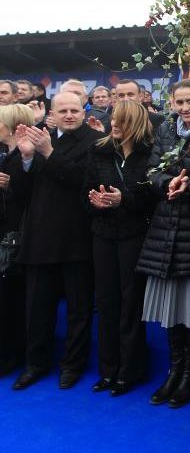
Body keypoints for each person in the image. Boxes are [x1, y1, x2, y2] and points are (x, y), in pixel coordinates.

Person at [12, 92, 104, 390]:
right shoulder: (38, 139)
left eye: (74, 110)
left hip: (77, 239)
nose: (69, 115)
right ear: (52, 112)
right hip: (39, 238)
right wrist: (26, 158)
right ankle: (35, 364)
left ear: (83, 111)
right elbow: (20, 192)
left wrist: (49, 152)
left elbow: (82, 180)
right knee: (37, 308)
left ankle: (72, 366)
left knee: (79, 309)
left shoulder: (94, 141)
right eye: (62, 110)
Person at [136, 80, 190, 408]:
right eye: (179, 102)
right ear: (172, 102)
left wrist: (188, 184)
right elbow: (151, 171)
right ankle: (174, 369)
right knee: (170, 308)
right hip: (166, 227)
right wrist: (167, 183)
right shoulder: (165, 130)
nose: (185, 107)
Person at [83, 100, 154, 397]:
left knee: (130, 303)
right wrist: (96, 203)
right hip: (103, 234)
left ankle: (129, 370)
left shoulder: (149, 154)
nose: (114, 124)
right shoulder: (98, 150)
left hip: (134, 236)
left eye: (122, 121)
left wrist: (123, 199)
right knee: (107, 301)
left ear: (134, 124)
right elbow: (86, 189)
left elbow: (152, 196)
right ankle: (108, 369)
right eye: (114, 119)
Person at [0, 105, 36, 378]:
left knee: (12, 300)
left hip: (17, 239)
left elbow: (26, 196)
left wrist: (8, 186)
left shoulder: (23, 156)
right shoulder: (6, 155)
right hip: (8, 235)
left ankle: (11, 355)